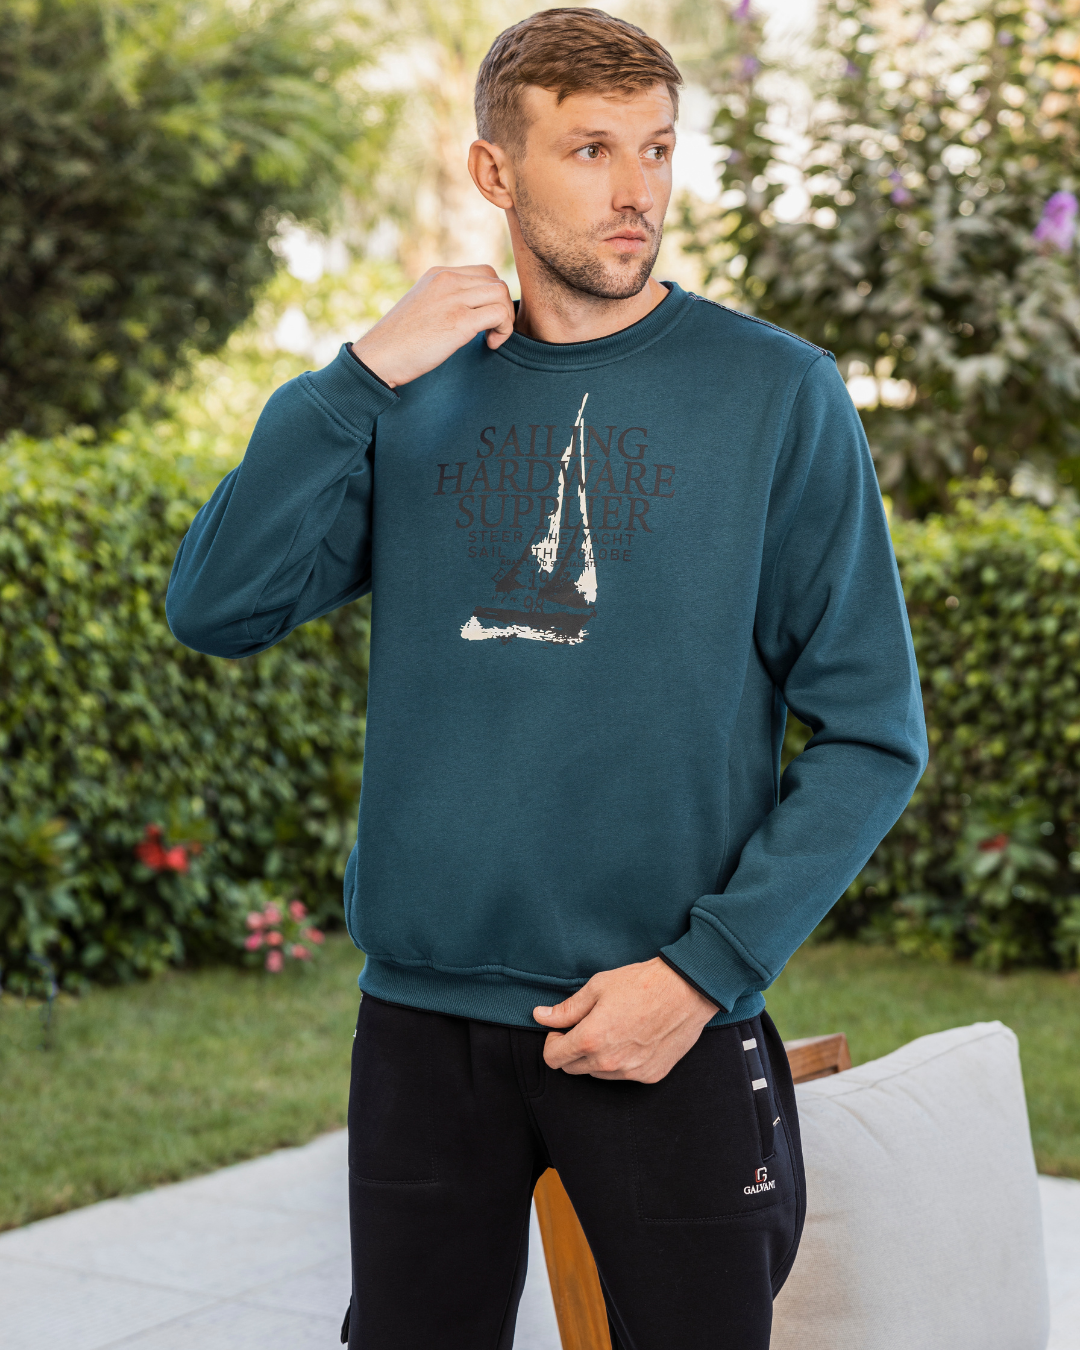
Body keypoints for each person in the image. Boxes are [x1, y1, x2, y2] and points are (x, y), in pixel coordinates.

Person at [166, 8, 928, 1347]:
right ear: (494, 171)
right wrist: (352, 381)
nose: (637, 190)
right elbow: (218, 606)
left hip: (665, 1020)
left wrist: (702, 974)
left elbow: (873, 731)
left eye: (657, 148)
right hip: (422, 1025)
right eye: (590, 149)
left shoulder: (776, 394)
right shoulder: (411, 393)